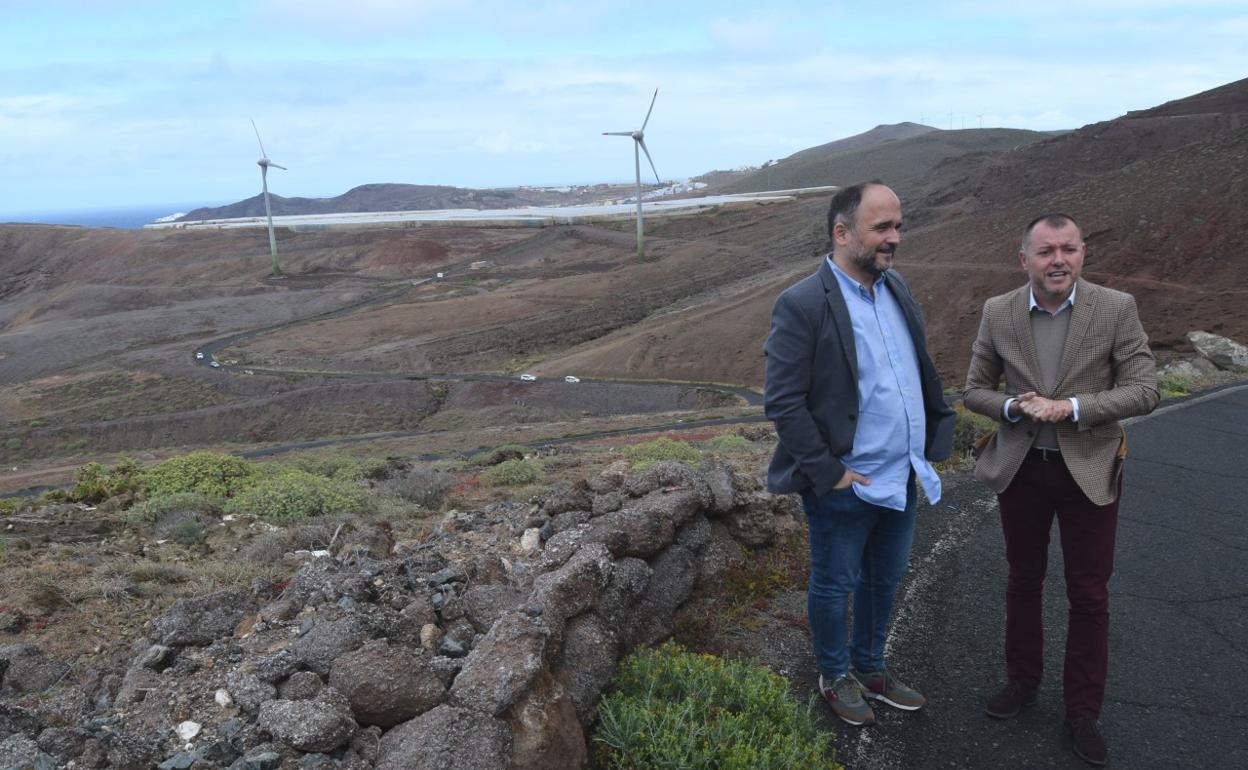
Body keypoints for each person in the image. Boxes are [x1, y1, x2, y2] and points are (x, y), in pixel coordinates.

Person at [963, 213, 1158, 766]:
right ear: (1023, 258)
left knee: (1089, 594)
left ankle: (1082, 712)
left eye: (1068, 249)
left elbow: (1144, 390)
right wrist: (1009, 406)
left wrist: (1070, 409)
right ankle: (1022, 682)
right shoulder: (998, 311)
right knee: (1023, 580)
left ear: (1083, 253)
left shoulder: (1116, 308)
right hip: (1022, 468)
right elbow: (974, 389)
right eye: (1045, 251)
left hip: (1090, 468)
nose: (1058, 260)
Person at [764, 181, 955, 726]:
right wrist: (829, 473)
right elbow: (783, 401)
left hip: (902, 475)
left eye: (898, 226)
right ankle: (834, 674)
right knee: (834, 583)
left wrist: (932, 438)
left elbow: (916, 369)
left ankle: (871, 668)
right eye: (881, 228)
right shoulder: (802, 303)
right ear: (842, 232)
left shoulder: (898, 290)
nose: (893, 238)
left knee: (884, 580)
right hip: (849, 482)